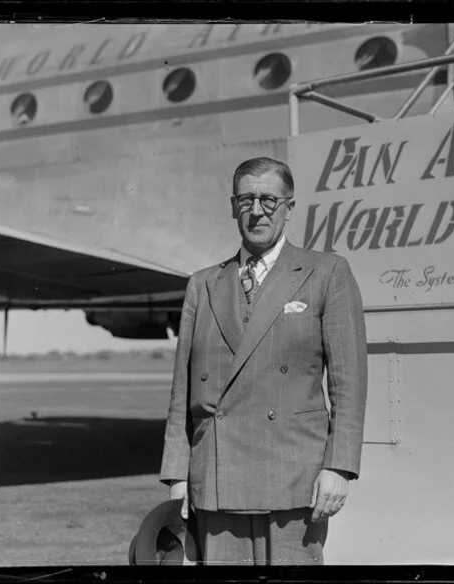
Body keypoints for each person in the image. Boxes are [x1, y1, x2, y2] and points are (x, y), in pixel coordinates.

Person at [160, 156, 367, 565]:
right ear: (232, 206)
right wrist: (178, 474)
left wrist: (339, 467)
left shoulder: (326, 272)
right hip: (216, 476)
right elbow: (181, 392)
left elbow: (349, 382)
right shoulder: (202, 285)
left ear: (289, 207)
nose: (257, 211)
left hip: (294, 478)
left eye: (269, 201)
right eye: (246, 200)